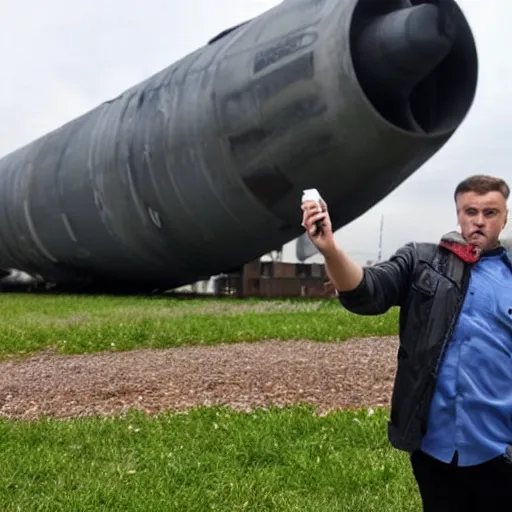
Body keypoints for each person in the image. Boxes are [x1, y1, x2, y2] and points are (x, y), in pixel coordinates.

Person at [301, 174, 512, 511]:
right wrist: (330, 249)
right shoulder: (421, 261)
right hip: (435, 448)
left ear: (504, 217)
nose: (479, 221)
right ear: (458, 214)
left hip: (500, 450)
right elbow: (367, 291)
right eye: (470, 211)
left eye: (490, 213)